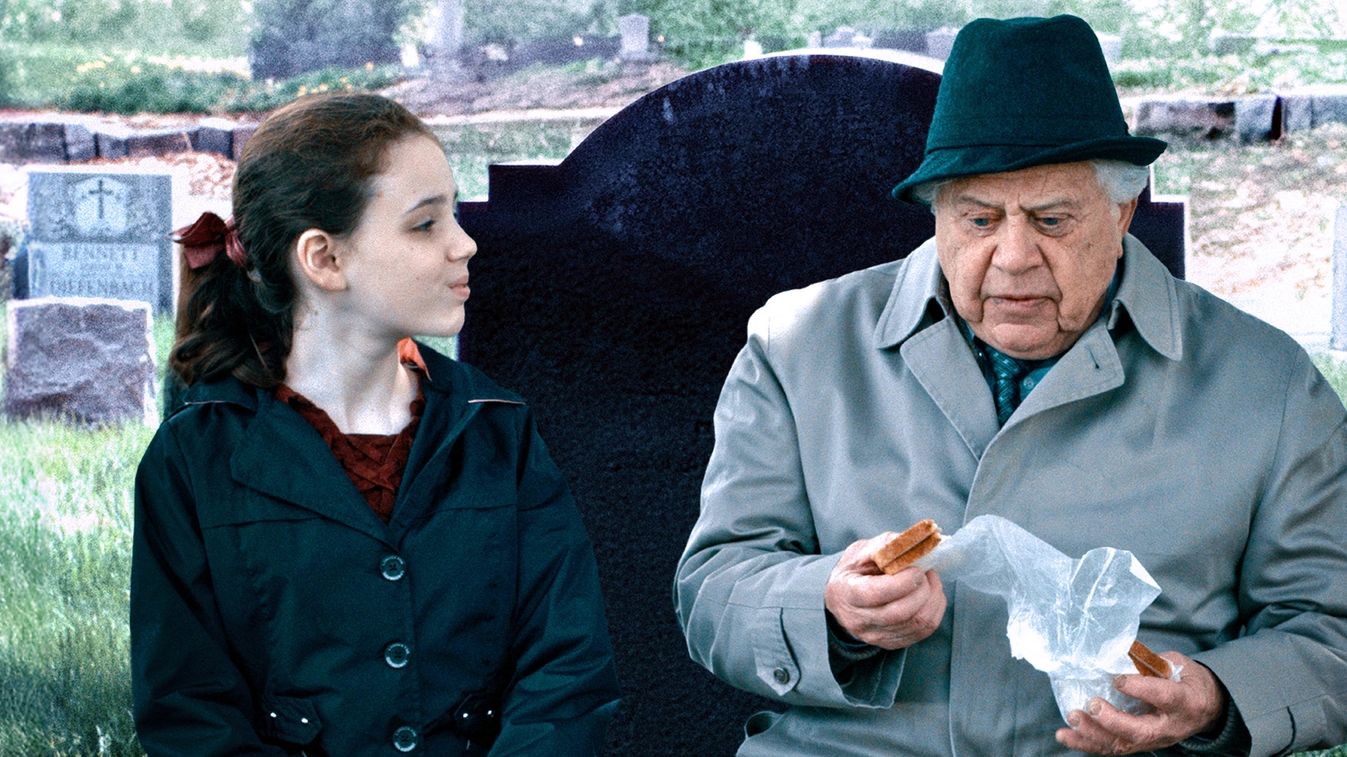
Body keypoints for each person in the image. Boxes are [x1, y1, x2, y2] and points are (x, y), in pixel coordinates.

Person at [674, 15, 1347, 756]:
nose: (1013, 255)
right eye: (978, 218)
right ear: (937, 215)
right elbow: (711, 590)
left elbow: (1332, 630)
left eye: (1052, 220)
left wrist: (1218, 696)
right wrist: (827, 606)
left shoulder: (1266, 382)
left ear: (1123, 211)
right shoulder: (798, 346)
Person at [131, 93, 620, 755]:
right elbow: (190, 710)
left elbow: (566, 673)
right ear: (324, 259)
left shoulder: (497, 430)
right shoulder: (195, 457)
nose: (464, 243)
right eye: (424, 224)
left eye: (453, 212)